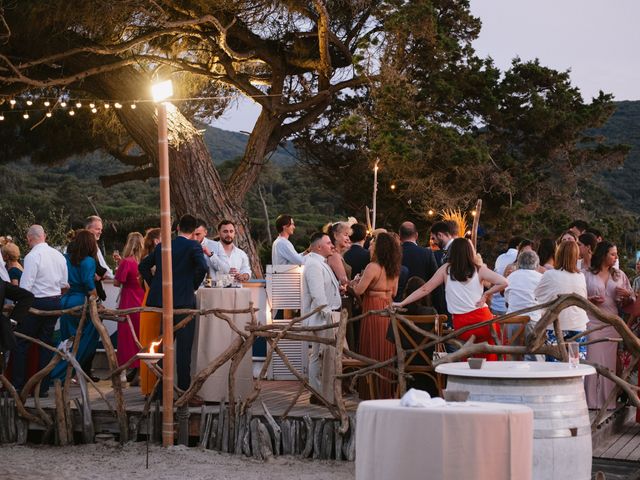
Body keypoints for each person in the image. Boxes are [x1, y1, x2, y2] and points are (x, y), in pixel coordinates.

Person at [394, 238, 508, 361]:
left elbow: (425, 289)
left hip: (462, 325)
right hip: (484, 321)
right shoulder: (479, 269)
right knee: (488, 361)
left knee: (466, 362)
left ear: (452, 252)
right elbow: (504, 282)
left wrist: (402, 302)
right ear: (470, 252)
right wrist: (486, 294)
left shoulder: (446, 270)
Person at [139, 214, 208, 400]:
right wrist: (192, 285)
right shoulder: (194, 246)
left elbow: (143, 266)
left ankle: (161, 391)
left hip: (165, 304)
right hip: (184, 304)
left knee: (163, 347)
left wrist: (155, 284)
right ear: (194, 231)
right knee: (183, 350)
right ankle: (184, 391)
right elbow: (203, 267)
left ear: (177, 228)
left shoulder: (163, 246)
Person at [13, 225, 68, 397]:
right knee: (45, 344)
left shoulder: (32, 256)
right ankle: (42, 387)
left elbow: (26, 286)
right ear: (44, 236)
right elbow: (64, 284)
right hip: (55, 302)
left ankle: (19, 386)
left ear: (29, 239)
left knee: (21, 342)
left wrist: (18, 306)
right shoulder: (58, 255)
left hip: (36, 303)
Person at [583, 242, 634, 409]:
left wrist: (628, 295)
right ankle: (590, 401)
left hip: (611, 322)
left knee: (609, 365)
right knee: (592, 360)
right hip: (591, 321)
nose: (616, 257)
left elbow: (630, 303)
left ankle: (607, 402)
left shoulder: (619, 275)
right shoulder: (586, 274)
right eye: (613, 254)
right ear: (603, 254)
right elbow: (578, 296)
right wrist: (589, 300)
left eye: (616, 254)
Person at [352, 232, 401, 399]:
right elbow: (394, 291)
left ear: (380, 248)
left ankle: (370, 392)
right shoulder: (394, 268)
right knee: (385, 349)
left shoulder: (372, 267)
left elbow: (359, 290)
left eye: (373, 243)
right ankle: (384, 390)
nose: (370, 246)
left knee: (371, 347)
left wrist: (355, 282)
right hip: (387, 307)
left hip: (373, 307)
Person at [50, 230, 100, 382]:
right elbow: (88, 283)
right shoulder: (89, 261)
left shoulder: (65, 258)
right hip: (80, 303)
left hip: (64, 301)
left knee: (67, 341)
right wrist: (96, 300)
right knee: (86, 338)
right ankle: (60, 374)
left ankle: (61, 373)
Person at [301, 232, 342, 404]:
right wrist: (329, 317)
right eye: (328, 243)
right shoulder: (313, 265)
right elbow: (318, 295)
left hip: (328, 316)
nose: (332, 245)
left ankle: (321, 392)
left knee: (320, 355)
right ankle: (317, 392)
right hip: (322, 318)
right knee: (318, 355)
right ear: (319, 247)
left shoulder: (320, 263)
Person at [534, 241, 589, 362]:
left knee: (555, 367)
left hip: (555, 325)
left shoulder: (550, 274)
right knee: (576, 364)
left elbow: (537, 295)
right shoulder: (581, 276)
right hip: (578, 324)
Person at [113, 231, 145, 385]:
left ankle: (123, 373)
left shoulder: (127, 261)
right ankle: (139, 373)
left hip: (128, 301)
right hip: (141, 302)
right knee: (139, 338)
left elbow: (117, 282)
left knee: (125, 338)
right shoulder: (143, 262)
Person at [504, 251, 543, 361]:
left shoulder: (511, 277)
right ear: (536, 264)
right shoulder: (541, 277)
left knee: (512, 355)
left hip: (512, 321)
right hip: (533, 321)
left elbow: (507, 300)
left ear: (519, 263)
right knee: (535, 357)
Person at [138, 228, 161, 396]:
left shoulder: (152, 258)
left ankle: (152, 386)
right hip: (151, 303)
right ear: (156, 241)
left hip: (149, 302)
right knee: (151, 344)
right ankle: (149, 386)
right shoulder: (151, 260)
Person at [491, 236, 523, 315]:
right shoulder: (520, 258)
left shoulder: (500, 257)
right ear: (518, 247)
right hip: (508, 307)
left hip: (494, 304)